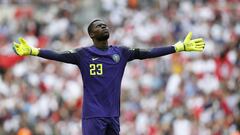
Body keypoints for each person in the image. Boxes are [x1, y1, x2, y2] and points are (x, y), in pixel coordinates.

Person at [12, 19, 205, 135]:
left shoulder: (121, 52)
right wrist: (33, 51)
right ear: (91, 34)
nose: (103, 26)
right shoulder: (83, 54)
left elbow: (148, 52)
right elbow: (58, 54)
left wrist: (177, 47)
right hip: (93, 116)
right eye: (98, 26)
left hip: (113, 115)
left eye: (104, 24)